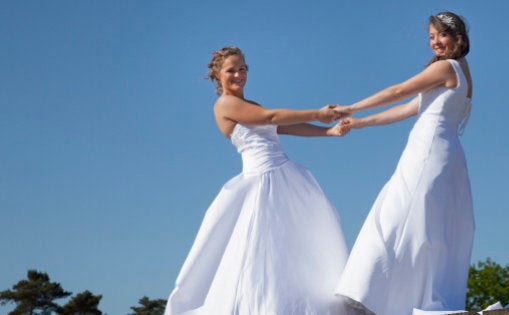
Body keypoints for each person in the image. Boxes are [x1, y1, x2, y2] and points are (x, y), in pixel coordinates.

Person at [165, 46, 351, 315]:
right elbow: (271, 117)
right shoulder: (225, 104)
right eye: (231, 70)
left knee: (296, 249)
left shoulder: (250, 105)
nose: (238, 75)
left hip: (284, 177)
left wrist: (329, 132)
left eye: (243, 69)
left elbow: (281, 127)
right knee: (262, 253)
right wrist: (317, 113)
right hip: (263, 183)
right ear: (218, 75)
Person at [334, 12, 475, 315]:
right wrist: (360, 123)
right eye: (431, 37)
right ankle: (399, 297)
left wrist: (351, 106)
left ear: (457, 37)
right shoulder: (463, 72)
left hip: (429, 152)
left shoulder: (448, 68)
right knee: (419, 225)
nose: (436, 42)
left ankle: (371, 294)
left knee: (397, 216)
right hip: (441, 152)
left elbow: (399, 91)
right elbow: (408, 108)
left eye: (442, 35)